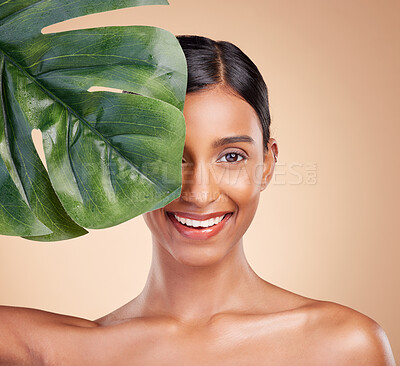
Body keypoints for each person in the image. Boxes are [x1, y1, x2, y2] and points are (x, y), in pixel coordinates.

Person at [0, 35, 395, 365]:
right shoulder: (55, 349)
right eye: (170, 157)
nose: (201, 193)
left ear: (269, 164)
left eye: (231, 157)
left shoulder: (344, 345)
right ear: (120, 165)